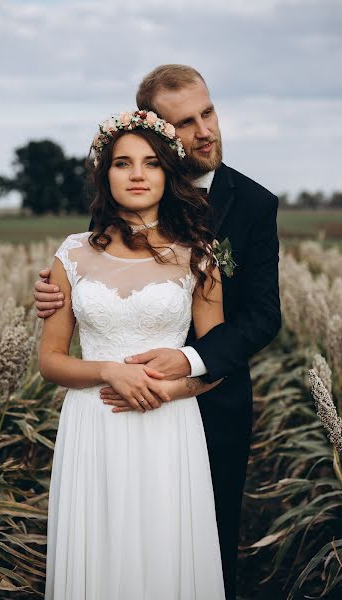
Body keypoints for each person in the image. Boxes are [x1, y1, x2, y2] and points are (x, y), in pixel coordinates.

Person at [35, 65, 281, 600]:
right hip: (99, 414)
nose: (205, 131)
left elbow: (264, 316)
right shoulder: (118, 199)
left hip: (203, 403)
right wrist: (59, 295)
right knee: (108, 550)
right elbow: (93, 274)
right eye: (187, 123)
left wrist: (187, 368)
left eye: (208, 113)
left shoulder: (254, 205)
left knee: (201, 552)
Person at [40, 109, 227, 599]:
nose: (138, 174)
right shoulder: (72, 253)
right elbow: (51, 360)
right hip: (93, 423)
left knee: (164, 553)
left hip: (170, 425)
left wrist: (173, 389)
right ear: (106, 175)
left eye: (151, 163)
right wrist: (107, 371)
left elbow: (220, 359)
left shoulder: (200, 254)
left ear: (168, 173)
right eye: (123, 163)